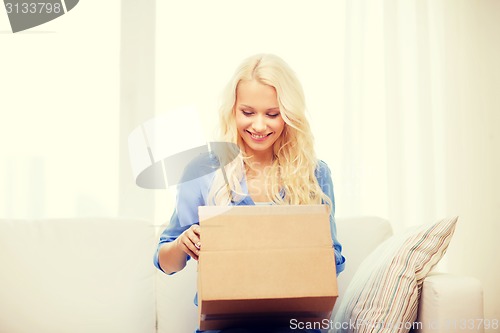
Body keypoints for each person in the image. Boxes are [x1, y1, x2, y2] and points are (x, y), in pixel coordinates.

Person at [153, 53, 345, 333]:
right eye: (247, 112)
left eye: (272, 114)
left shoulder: (314, 174)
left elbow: (335, 260)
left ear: (289, 116)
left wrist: (308, 250)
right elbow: (165, 262)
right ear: (233, 110)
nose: (258, 126)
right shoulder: (204, 171)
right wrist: (183, 244)